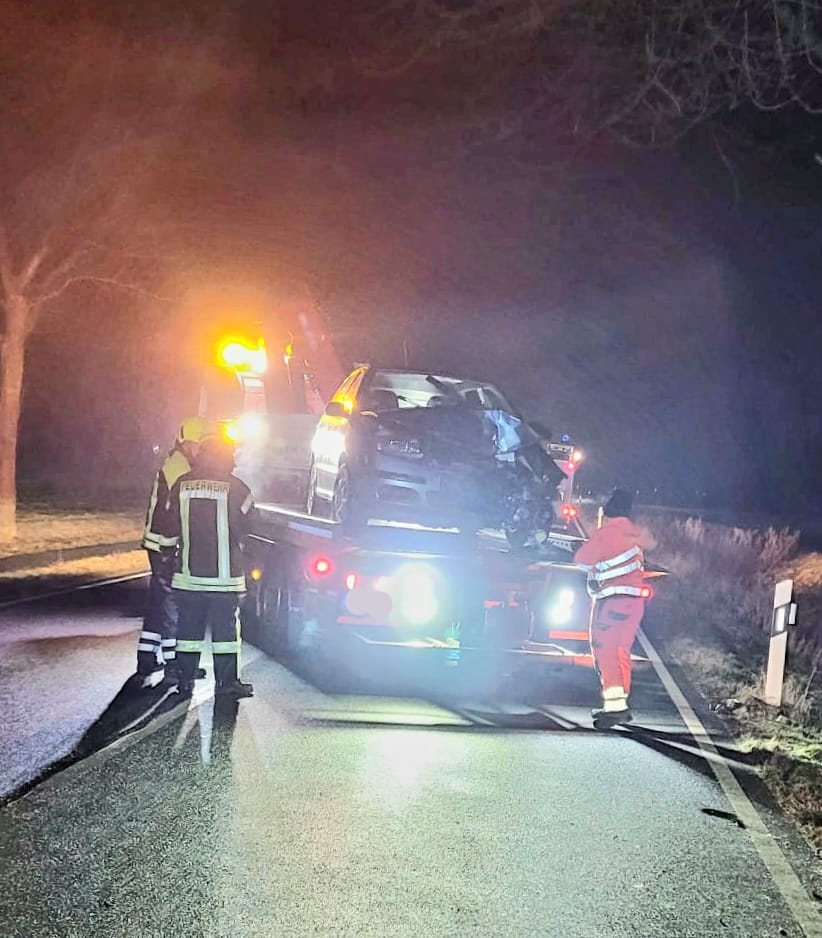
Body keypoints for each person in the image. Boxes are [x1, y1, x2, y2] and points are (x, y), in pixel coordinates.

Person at [158, 431, 255, 698]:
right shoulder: (237, 488)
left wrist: (167, 559)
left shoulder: (181, 484)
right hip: (225, 580)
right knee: (225, 634)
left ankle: (185, 680)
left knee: (188, 631)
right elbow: (249, 526)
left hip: (189, 577)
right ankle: (226, 684)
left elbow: (168, 527)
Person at [574, 488, 655, 730]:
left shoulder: (607, 533)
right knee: (620, 651)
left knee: (605, 651)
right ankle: (619, 704)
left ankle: (616, 709)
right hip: (634, 605)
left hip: (611, 602)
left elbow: (582, 559)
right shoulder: (632, 534)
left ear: (607, 512)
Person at [137, 416, 209, 686]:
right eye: (196, 445)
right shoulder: (179, 467)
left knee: (158, 600)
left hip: (157, 541)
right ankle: (174, 662)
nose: (199, 450)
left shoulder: (177, 462)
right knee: (171, 602)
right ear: (187, 443)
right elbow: (178, 510)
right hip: (163, 544)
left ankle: (146, 657)